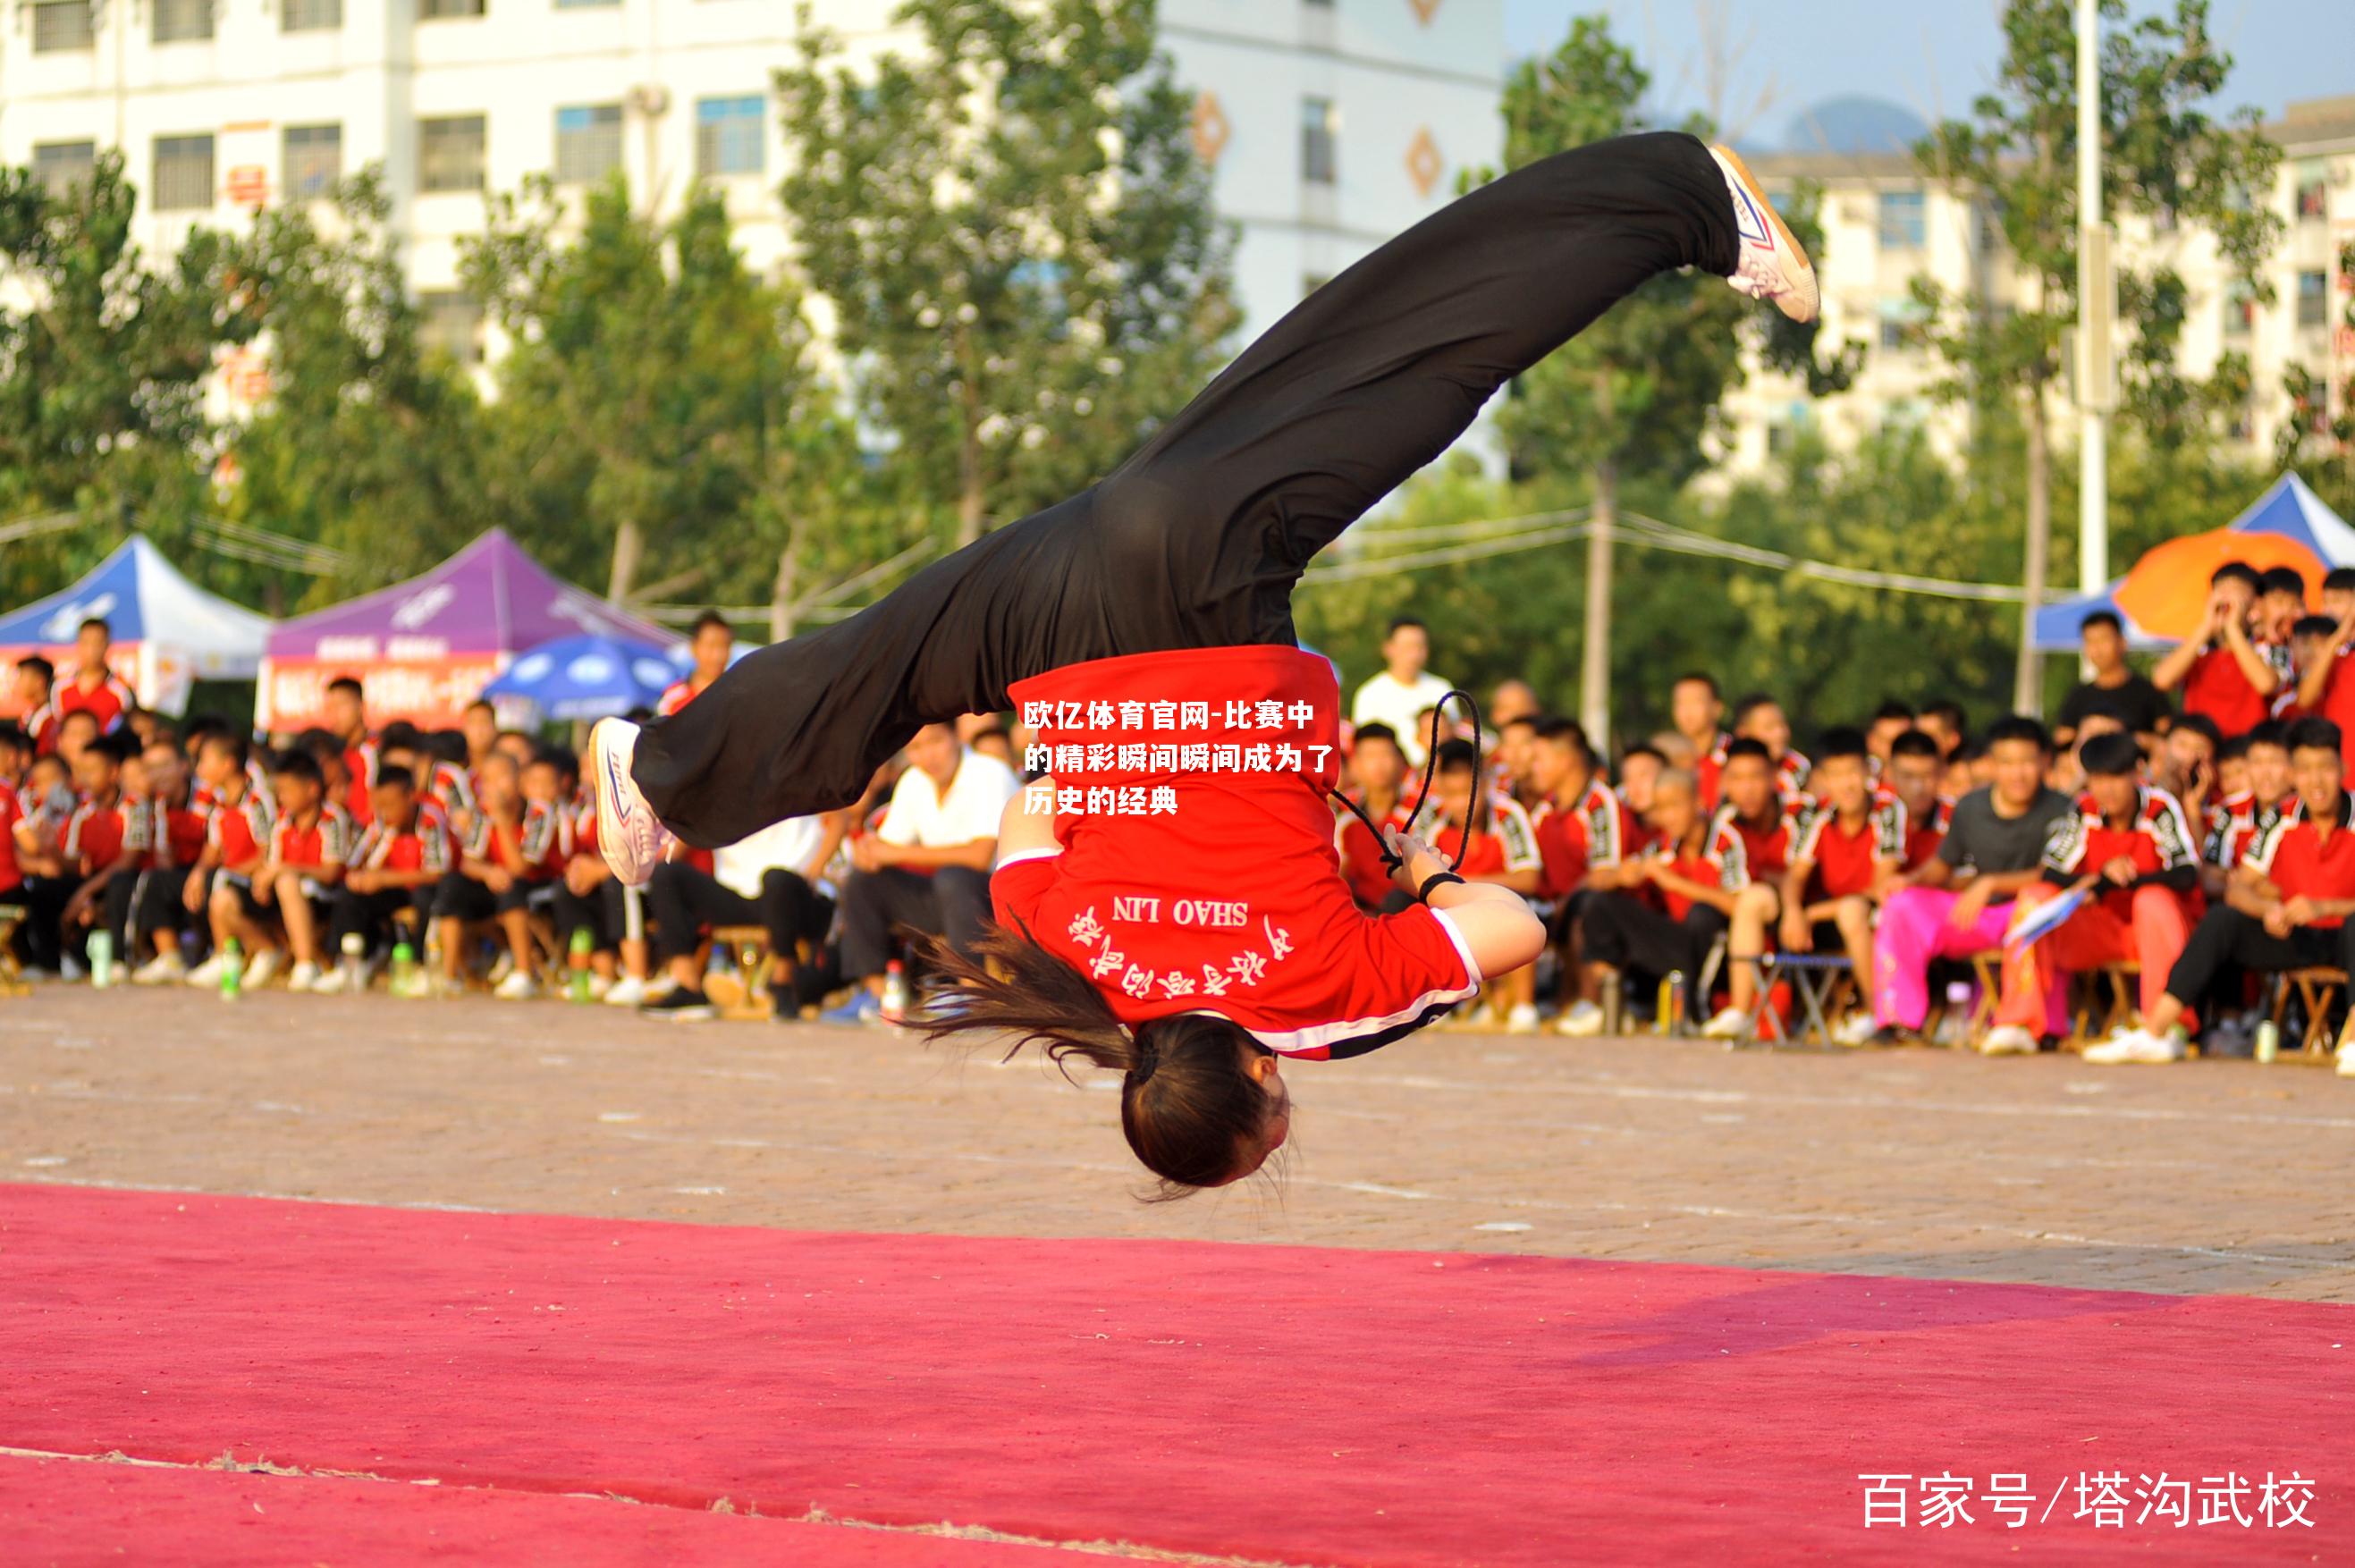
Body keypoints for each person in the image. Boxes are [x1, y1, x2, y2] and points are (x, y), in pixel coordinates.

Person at [590, 131, 1819, 1193]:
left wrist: (1414, 876)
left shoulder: (1324, 1002)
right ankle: (660, 770)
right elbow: (1037, 809)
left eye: (1271, 1126)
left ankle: (1686, 199)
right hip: (1050, 634)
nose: (1289, 1113)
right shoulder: (1073, 962)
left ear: (1255, 1088)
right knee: (884, 671)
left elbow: (1512, 929)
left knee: (1408, 361)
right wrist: (1171, 797)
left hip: (1192, 580)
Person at [2092, 718, 2355, 1072]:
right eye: (2305, 769)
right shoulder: (2281, 817)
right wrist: (2268, 910)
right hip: (2297, 935)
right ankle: (2157, 1031)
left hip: (2345, 935)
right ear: (2294, 774)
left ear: (2343, 767)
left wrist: (2324, 906)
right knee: (2222, 920)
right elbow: (2239, 888)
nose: (2316, 780)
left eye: (2325, 768)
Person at [1979, 732, 2199, 1056]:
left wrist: (2131, 879)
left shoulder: (2160, 808)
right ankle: (2019, 1022)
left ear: (2137, 773)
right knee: (2035, 896)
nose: (2106, 789)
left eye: (2115, 778)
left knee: (2151, 898)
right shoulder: (2085, 809)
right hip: (2103, 930)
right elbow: (2051, 870)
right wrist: (2102, 879)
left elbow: (2186, 873)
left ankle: (2164, 1026)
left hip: (2160, 932)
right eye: (2097, 779)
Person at [1864, 716, 2073, 1045]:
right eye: (2007, 762)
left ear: (2045, 761)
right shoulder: (1970, 807)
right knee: (1902, 905)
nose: (2017, 773)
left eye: (2027, 762)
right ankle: (1899, 1020)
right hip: (1975, 915)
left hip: (2029, 914)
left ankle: (2023, 1023)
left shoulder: (2063, 810)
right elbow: (1942, 866)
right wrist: (1909, 880)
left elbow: (2055, 873)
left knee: (2039, 898)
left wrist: (1989, 883)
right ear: (1991, 765)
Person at [817, 721, 1018, 1026]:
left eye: (935, 741)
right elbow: (886, 846)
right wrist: (868, 854)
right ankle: (878, 996)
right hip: (945, 897)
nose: (928, 755)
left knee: (955, 876)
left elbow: (980, 856)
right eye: (915, 748)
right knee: (863, 882)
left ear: (955, 737)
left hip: (997, 898)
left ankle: (972, 994)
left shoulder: (989, 773)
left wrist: (893, 853)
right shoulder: (913, 781)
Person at [1576, 766, 1746, 1026]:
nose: (1667, 817)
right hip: (1676, 944)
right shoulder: (1660, 846)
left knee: (1702, 914)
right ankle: (1612, 1004)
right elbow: (1603, 879)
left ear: (1698, 802)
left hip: (1717, 950)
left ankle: (1693, 1010)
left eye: (1674, 806)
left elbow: (1739, 905)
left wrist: (1674, 883)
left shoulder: (1725, 840)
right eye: (1660, 809)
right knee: (1600, 904)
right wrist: (1622, 877)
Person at [639, 811, 846, 1022]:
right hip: (738, 890)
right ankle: (688, 984)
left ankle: (784, 982)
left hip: (796, 890)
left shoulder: (799, 777)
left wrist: (816, 868)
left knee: (776, 879)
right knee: (667, 876)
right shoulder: (721, 782)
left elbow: (839, 817)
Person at [1773, 728, 1903, 1035]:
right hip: (1827, 920)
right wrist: (1792, 909)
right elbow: (1795, 875)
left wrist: (1810, 914)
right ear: (1822, 779)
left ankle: (1879, 1014)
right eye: (1836, 775)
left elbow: (1880, 887)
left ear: (1868, 771)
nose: (1846, 784)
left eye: (1853, 773)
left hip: (1872, 915)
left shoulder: (1887, 810)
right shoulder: (1816, 814)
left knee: (1852, 911)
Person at [1425, 738, 1543, 1032]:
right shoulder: (1431, 819)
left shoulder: (1508, 814)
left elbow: (1528, 877)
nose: (1460, 803)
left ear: (1486, 783)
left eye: (1468, 792)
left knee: (1520, 911)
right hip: (1452, 907)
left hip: (1500, 902)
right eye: (1451, 793)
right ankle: (1436, 1003)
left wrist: (1468, 886)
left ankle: (1523, 1008)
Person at [1701, 738, 1803, 1038]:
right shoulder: (1725, 821)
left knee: (1753, 898)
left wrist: (1793, 905)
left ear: (1774, 778)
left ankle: (1742, 1010)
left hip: (1805, 907)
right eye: (1737, 778)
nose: (1747, 788)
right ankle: (1741, 1011)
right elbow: (1737, 887)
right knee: (1751, 899)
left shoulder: (1800, 813)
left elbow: (1798, 876)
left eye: (1756, 777)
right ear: (1724, 783)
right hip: (1761, 907)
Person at [249, 749, 352, 991]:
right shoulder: (282, 822)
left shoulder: (333, 818)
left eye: (286, 790)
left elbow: (331, 873)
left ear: (312, 789)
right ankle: (267, 952)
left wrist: (286, 870)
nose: (281, 797)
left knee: (286, 880)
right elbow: (272, 865)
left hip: (327, 897)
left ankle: (306, 962)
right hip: (287, 895)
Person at [2153, 564, 2287, 739]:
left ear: (2256, 605)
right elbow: (2162, 680)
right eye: (2221, 590)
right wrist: (2206, 626)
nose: (2227, 599)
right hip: (2202, 749)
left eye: (2237, 592)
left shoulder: (2270, 648)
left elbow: (2266, 684)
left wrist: (2234, 630)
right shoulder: (2197, 649)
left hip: (2248, 752)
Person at [2055, 611, 2172, 748]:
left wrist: (2124, 736)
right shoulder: (2078, 696)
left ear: (2122, 642)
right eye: (2090, 641)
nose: (2097, 649)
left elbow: (2169, 739)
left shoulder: (2147, 691)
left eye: (2103, 639)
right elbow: (2062, 741)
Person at [1350, 618, 1455, 768]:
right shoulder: (1370, 694)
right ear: (1388, 648)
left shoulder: (1442, 689)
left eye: (1420, 646)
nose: (1414, 654)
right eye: (1407, 647)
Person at [661, 611, 735, 716]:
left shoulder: (737, 697)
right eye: (711, 646)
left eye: (725, 646)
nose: (718, 655)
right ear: (694, 648)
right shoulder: (673, 700)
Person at [13, 656, 60, 754]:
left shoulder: (53, 715)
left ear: (39, 681)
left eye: (22, 676)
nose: (17, 683)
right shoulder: (30, 713)